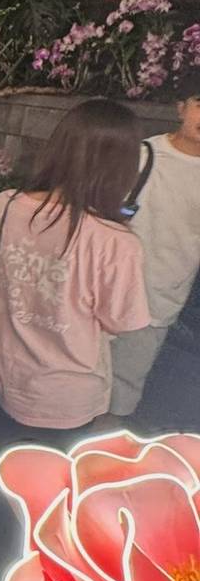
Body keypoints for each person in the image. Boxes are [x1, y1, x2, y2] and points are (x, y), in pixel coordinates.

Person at [0, 98, 151, 434]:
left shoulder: (5, 205)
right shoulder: (117, 242)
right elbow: (122, 321)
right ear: (122, 167)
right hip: (68, 398)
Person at [110, 69, 200, 418]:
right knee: (82, 379)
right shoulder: (143, 156)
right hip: (107, 292)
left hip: (160, 300)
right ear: (181, 108)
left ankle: (97, 457)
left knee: (123, 391)